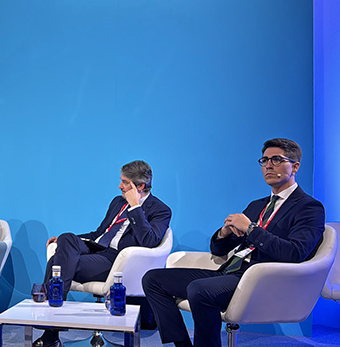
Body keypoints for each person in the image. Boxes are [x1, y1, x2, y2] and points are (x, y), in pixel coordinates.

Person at [142, 138, 326, 347]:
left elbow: (295, 253)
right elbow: (218, 249)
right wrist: (224, 232)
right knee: (153, 278)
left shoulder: (309, 207)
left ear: (295, 166)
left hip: (260, 279)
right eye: (264, 160)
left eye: (276, 159)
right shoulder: (257, 206)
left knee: (200, 290)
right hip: (229, 272)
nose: (268, 165)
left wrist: (251, 229)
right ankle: (183, 345)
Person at [35, 160, 172, 347]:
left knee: (56, 264)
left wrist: (135, 207)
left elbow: (150, 241)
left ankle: (51, 329)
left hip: (115, 260)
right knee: (66, 238)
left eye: (125, 182)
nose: (120, 186)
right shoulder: (117, 202)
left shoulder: (160, 210)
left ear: (139, 186)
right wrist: (65, 240)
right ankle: (54, 318)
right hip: (97, 248)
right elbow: (99, 233)